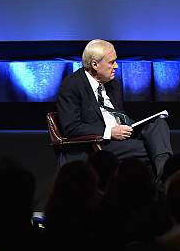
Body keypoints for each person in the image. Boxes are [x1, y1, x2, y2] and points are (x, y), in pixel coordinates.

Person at [57, 39, 172, 179]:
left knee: (158, 124)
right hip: (98, 144)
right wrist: (109, 132)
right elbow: (72, 127)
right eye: (111, 62)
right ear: (95, 65)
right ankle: (164, 179)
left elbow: (119, 115)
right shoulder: (72, 85)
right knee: (152, 148)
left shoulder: (113, 85)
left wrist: (132, 125)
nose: (116, 66)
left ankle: (163, 176)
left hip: (121, 136)